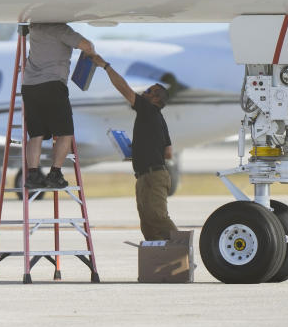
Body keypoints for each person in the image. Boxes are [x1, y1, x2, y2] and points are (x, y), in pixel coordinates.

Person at [94, 56, 179, 241]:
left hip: (152, 176)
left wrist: (106, 66)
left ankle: (182, 250)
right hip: (146, 175)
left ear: (155, 99)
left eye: (149, 91)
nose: (144, 93)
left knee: (158, 218)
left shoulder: (147, 109)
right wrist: (142, 151)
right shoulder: (158, 118)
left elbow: (124, 89)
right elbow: (168, 152)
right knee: (148, 225)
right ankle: (159, 260)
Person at [20, 23, 99, 191]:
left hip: (30, 86)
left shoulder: (36, 28)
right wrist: (91, 55)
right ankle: (55, 173)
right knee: (65, 133)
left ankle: (33, 175)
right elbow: (87, 45)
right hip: (53, 85)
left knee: (36, 135)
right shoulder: (60, 30)